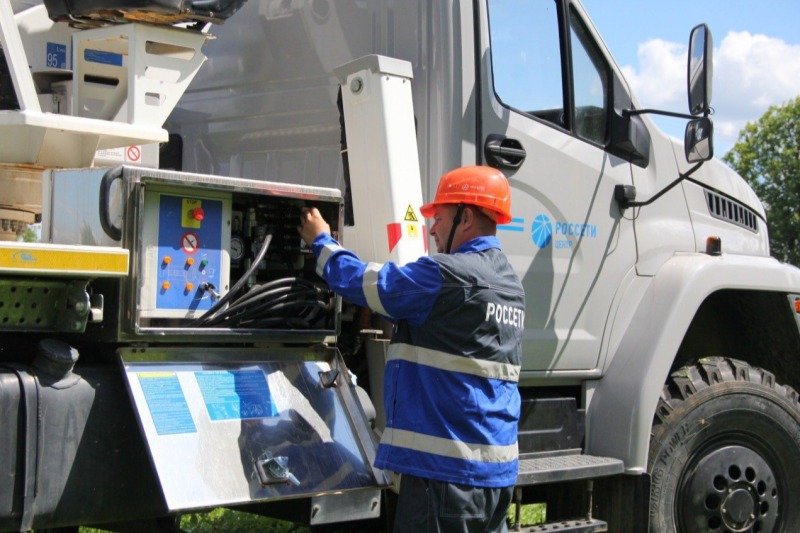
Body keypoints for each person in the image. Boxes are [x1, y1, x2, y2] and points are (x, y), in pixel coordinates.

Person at [298, 165, 525, 532]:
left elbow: (371, 284)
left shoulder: (448, 276)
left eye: (440, 217)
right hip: (495, 478)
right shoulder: (510, 285)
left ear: (465, 217)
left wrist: (322, 243)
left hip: (445, 479)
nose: (432, 229)